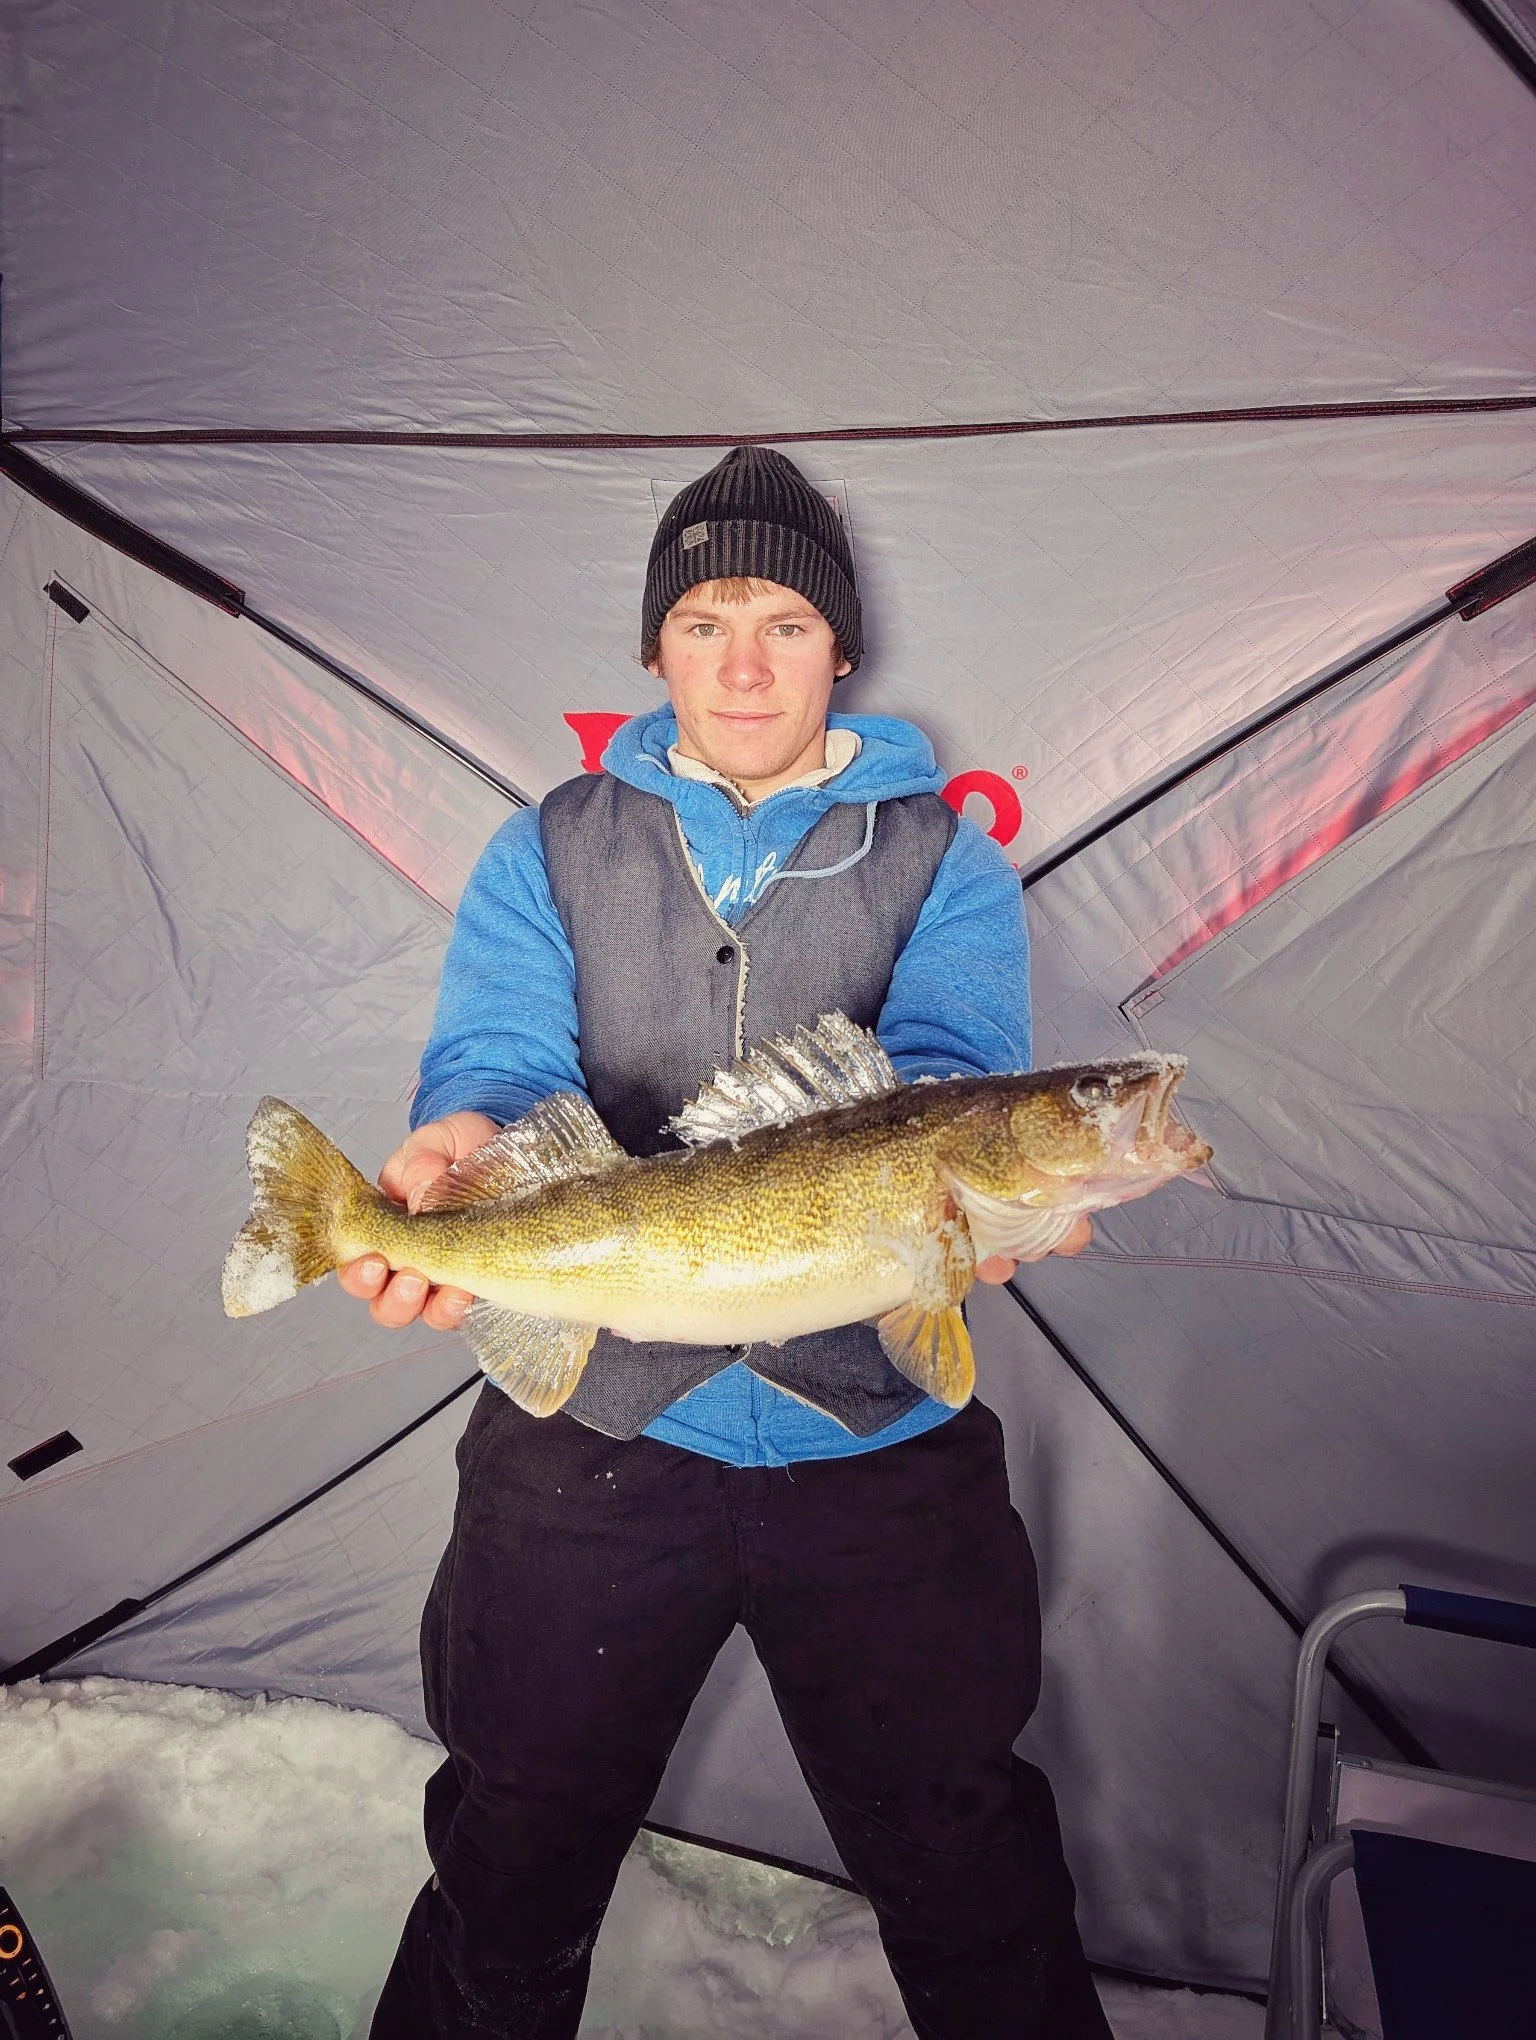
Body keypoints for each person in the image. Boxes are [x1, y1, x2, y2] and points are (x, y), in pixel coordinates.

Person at [349, 446, 1111, 2040]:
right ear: (655, 652)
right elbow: (500, 1065)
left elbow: (955, 1075)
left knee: (977, 1882)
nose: (743, 660)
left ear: (842, 645)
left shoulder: (946, 858)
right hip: (594, 1440)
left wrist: (996, 1193)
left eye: (780, 619)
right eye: (704, 621)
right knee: (511, 1857)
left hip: (880, 1441)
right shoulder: (547, 844)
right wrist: (460, 1144)